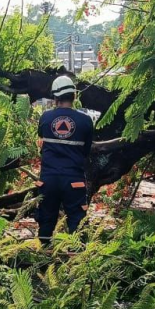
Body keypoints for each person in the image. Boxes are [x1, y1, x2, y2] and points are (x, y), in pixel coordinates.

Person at [36, 75, 94, 243]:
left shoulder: (45, 118)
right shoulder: (85, 121)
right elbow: (86, 150)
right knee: (77, 219)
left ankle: (44, 255)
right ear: (74, 95)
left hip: (48, 179)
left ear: (55, 97)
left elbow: (42, 141)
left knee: (46, 217)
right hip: (74, 180)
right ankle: (78, 259)